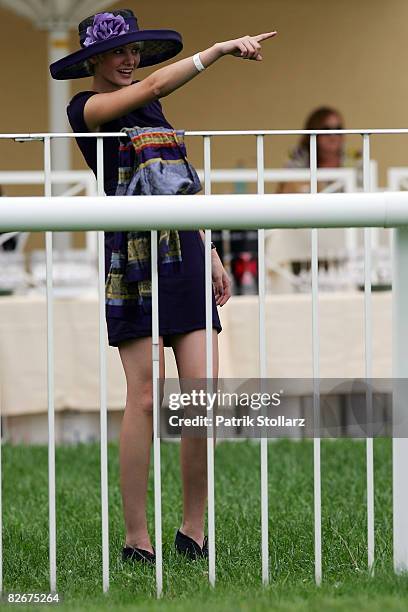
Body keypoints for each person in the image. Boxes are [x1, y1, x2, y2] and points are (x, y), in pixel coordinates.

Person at [50, 10, 276, 564]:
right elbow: (153, 82)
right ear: (94, 61)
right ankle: (136, 539)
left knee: (200, 398)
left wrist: (214, 251)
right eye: (118, 52)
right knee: (146, 398)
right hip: (132, 257)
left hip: (186, 253)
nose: (130, 60)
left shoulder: (154, 107)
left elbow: (178, 183)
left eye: (134, 51)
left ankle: (192, 531)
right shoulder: (85, 108)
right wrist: (218, 47)